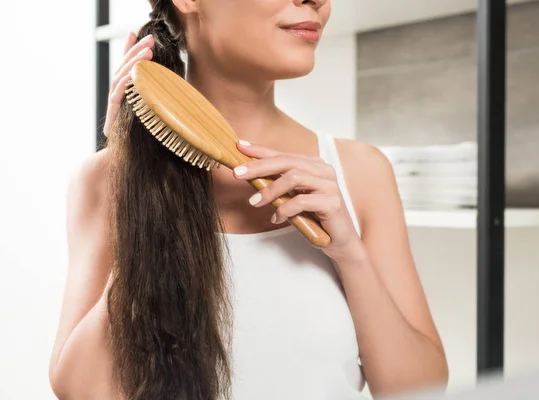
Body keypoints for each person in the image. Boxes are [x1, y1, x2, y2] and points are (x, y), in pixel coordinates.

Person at [49, 0, 448, 399]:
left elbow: (420, 390)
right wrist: (139, 180)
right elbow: (79, 390)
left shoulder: (360, 174)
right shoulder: (103, 180)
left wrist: (350, 255)